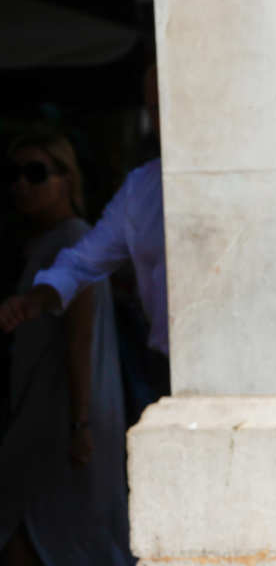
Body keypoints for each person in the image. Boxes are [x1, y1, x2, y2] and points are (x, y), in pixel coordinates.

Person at [0, 130, 129, 566]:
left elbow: (80, 336)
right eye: (13, 174)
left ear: (66, 179)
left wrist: (79, 425)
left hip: (64, 420)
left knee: (55, 535)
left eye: (36, 173)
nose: (21, 184)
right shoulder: (46, 241)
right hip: (46, 414)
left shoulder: (75, 239)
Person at [0, 67, 168, 400]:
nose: (163, 117)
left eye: (36, 173)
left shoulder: (249, 172)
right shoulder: (140, 188)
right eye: (154, 108)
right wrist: (37, 298)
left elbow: (79, 338)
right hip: (166, 367)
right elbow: (82, 263)